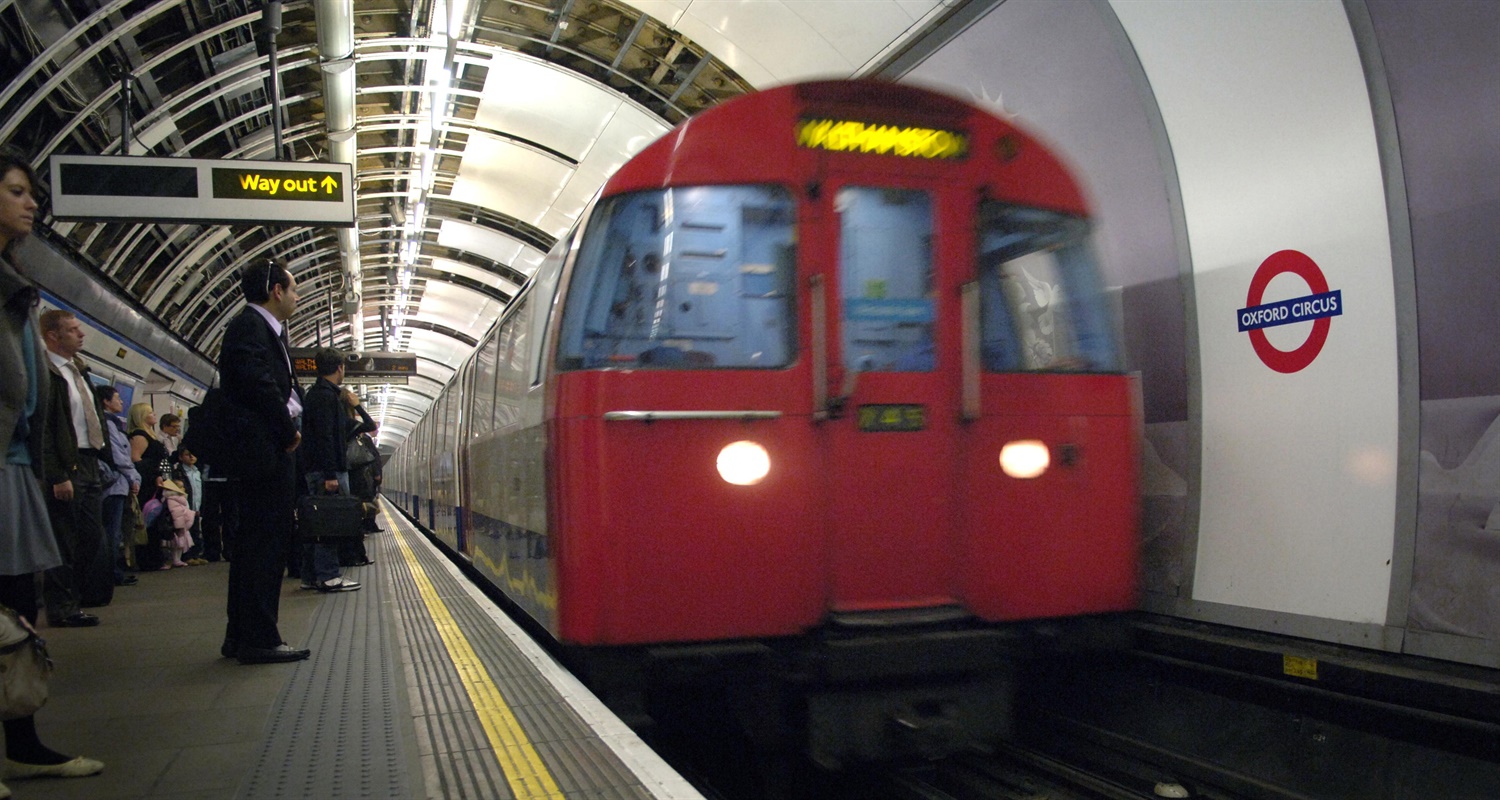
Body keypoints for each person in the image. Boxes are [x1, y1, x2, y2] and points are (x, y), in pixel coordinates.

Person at [0, 150, 106, 792]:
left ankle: (23, 742)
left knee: (16, 614)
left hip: (15, 471)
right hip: (5, 468)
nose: (31, 203)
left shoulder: (11, 278)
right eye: (15, 191)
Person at [217, 257, 308, 664]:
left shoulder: (260, 330)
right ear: (276, 291)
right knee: (265, 546)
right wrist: (288, 433)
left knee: (254, 546)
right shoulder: (251, 328)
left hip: (262, 453)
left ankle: (240, 636)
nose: (297, 295)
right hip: (265, 454)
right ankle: (260, 639)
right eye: (293, 288)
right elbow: (261, 386)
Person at [39, 309, 111, 622]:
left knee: (90, 536)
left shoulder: (78, 370)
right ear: (53, 336)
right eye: (72, 329)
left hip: (89, 460)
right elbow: (43, 429)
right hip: (67, 464)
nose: (81, 334)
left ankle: (77, 595)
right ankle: (61, 606)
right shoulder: (45, 373)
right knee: (64, 537)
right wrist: (56, 474)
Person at [297, 348, 368, 591]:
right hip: (327, 470)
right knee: (328, 524)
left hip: (320, 468)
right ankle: (329, 575)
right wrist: (330, 474)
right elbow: (325, 438)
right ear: (339, 367)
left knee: (315, 524)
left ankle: (311, 576)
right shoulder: (325, 397)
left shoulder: (317, 395)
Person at [92, 385, 140, 587]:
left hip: (116, 483)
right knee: (111, 531)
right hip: (114, 484)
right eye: (117, 398)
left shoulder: (113, 423)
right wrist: (133, 477)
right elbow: (118, 455)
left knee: (113, 531)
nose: (121, 402)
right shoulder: (108, 424)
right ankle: (110, 573)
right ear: (105, 401)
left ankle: (111, 571)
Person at [126, 402, 169, 571]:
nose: (154, 415)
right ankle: (147, 559)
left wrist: (165, 477)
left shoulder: (152, 436)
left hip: (156, 482)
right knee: (148, 519)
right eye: (150, 413)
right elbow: (135, 459)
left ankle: (155, 557)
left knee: (155, 520)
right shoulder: (140, 435)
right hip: (147, 484)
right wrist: (156, 474)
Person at [158, 478, 193, 569]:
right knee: (174, 544)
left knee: (180, 544)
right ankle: (173, 560)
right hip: (175, 525)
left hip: (181, 524)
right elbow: (175, 512)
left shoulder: (181, 498)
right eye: (181, 487)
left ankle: (177, 559)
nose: (183, 489)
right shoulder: (171, 498)